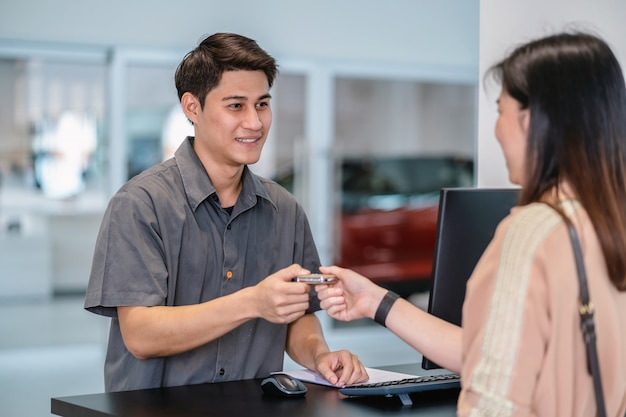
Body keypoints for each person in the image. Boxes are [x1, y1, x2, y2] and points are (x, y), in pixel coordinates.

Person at [316, 31, 626, 417]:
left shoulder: (533, 230)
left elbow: (493, 397)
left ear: (530, 121)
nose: (497, 128)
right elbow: (489, 352)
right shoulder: (607, 223)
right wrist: (375, 301)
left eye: (501, 110)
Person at [84, 32, 368, 392]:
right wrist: (252, 302)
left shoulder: (285, 211)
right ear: (192, 107)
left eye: (262, 104)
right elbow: (141, 335)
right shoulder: (141, 205)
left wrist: (319, 356)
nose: (254, 122)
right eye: (236, 105)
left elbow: (298, 316)